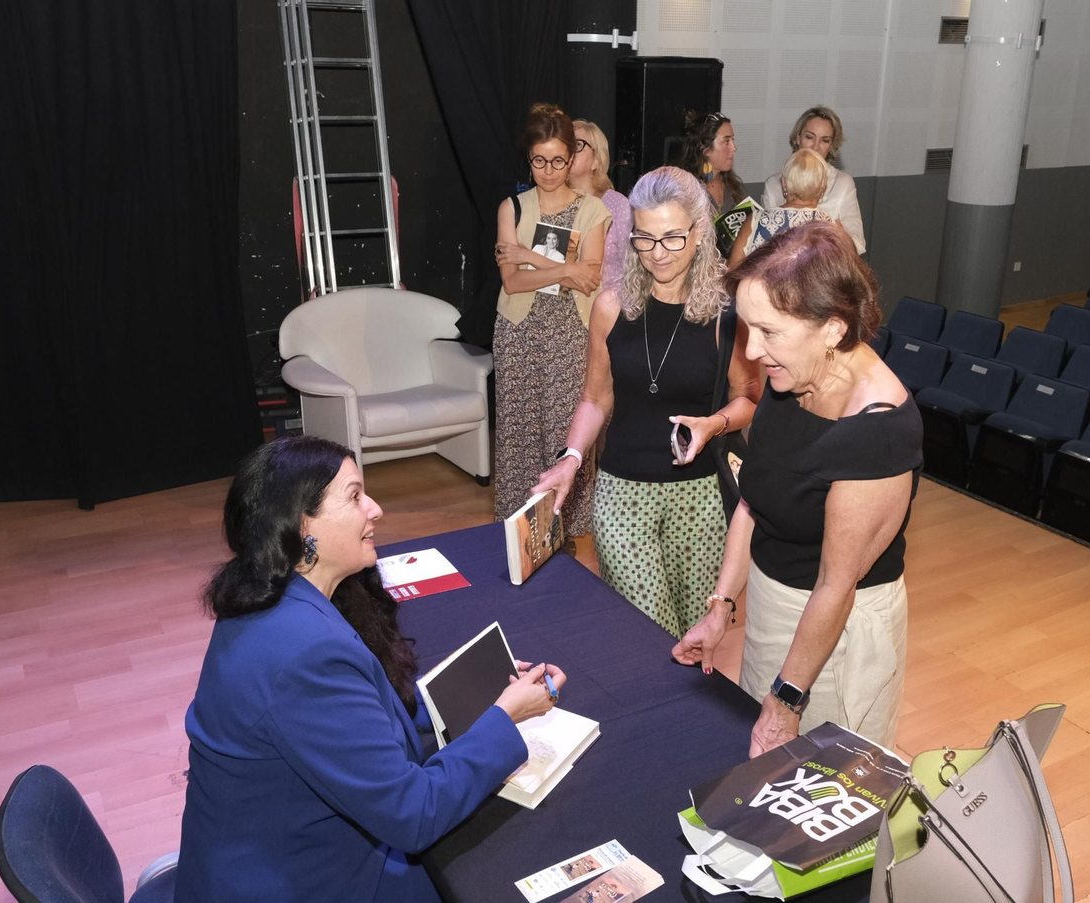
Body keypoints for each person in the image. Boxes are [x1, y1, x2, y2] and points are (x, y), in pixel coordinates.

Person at [177, 436, 567, 903]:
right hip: (302, 880)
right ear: (304, 526)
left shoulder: (268, 598)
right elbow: (413, 813)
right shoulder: (305, 655)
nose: (375, 509)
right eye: (355, 496)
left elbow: (355, 714)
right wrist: (505, 720)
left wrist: (473, 691)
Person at [671, 220, 920, 756]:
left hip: (836, 632)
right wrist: (720, 608)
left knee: (824, 792)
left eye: (769, 331)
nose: (754, 350)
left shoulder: (877, 429)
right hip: (773, 605)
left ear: (832, 328)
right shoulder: (792, 378)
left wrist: (786, 700)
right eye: (747, 327)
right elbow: (754, 502)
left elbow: (836, 584)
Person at [532, 167, 761, 636]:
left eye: (673, 238)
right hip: (622, 493)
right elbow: (595, 399)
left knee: (693, 634)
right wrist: (571, 458)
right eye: (645, 238)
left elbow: (750, 397)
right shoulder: (611, 306)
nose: (658, 254)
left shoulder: (725, 314)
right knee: (647, 632)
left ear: (700, 232)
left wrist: (712, 424)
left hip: (699, 498)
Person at [493, 103, 610, 536]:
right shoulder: (513, 208)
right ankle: (520, 529)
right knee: (519, 435)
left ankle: (566, 529)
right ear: (529, 159)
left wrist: (528, 257)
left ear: (573, 156)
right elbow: (511, 283)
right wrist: (563, 267)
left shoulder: (593, 211)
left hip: (570, 332)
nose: (548, 170)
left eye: (558, 160)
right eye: (539, 160)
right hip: (519, 333)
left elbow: (590, 279)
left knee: (568, 431)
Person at [761, 106, 867, 254]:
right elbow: (763, 245)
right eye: (809, 137)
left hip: (827, 269)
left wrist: (833, 236)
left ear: (831, 145)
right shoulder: (774, 184)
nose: (815, 146)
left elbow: (857, 243)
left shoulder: (842, 183)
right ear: (798, 138)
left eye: (825, 140)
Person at [727, 148, 836, 269]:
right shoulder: (831, 229)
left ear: (784, 183)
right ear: (823, 186)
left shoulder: (755, 221)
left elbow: (732, 271)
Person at [569, 118, 632, 293]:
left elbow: (631, 263)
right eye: (566, 144)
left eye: (578, 144)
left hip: (605, 305)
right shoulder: (551, 201)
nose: (569, 150)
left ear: (596, 160)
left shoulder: (616, 204)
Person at [677, 110, 742, 217]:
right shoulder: (684, 190)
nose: (734, 148)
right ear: (705, 148)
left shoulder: (732, 186)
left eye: (732, 139)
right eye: (726, 141)